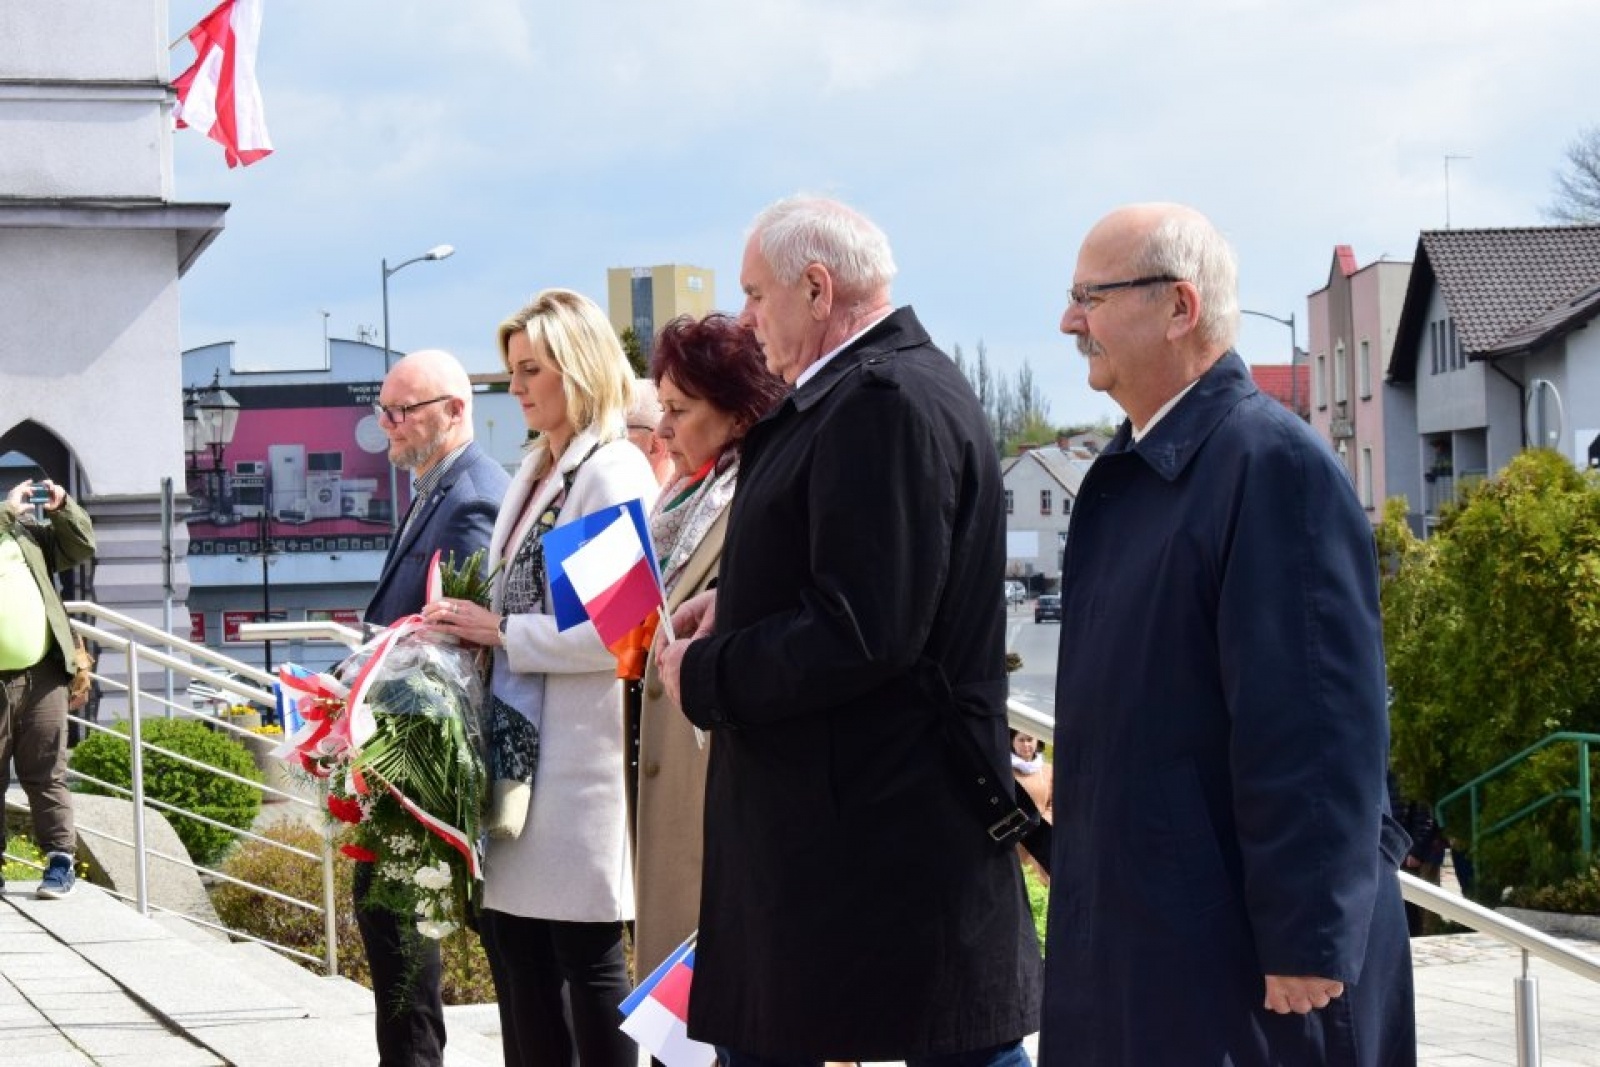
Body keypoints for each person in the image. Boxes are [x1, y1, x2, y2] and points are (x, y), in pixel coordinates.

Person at [656, 196, 1041, 1065]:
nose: (746, 318)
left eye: (756, 293)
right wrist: (737, 602)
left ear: (817, 288)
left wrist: (708, 673)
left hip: (874, 833)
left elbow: (865, 627)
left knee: (956, 1043)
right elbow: (852, 577)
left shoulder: (881, 399)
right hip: (855, 831)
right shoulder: (861, 393)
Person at [1041, 202, 1415, 1066]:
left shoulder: (1269, 465)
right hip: (1151, 941)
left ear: (1180, 306)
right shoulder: (1137, 469)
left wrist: (1308, 933)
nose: (1069, 321)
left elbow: (1314, 718)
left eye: (1091, 297)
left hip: (1242, 967)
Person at [426, 288, 658, 1067]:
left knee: (585, 964)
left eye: (532, 369)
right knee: (521, 963)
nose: (516, 385)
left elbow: (620, 633)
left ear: (579, 368)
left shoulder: (608, 471)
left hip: (576, 768)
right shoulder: (538, 468)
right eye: (513, 369)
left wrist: (499, 632)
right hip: (522, 763)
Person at [359, 348, 510, 1067]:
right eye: (383, 409)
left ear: (454, 410)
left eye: (402, 410)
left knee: (400, 929)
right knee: (387, 926)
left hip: (426, 762)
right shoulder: (434, 485)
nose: (386, 423)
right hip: (399, 749)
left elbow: (457, 641)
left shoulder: (473, 494)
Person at [629, 313, 786, 979]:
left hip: (717, 798)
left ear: (739, 414)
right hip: (670, 786)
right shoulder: (678, 498)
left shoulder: (756, 496)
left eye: (679, 410)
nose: (661, 430)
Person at [1, 478, 94, 899]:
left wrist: (62, 508)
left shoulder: (27, 536)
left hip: (42, 674)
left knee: (47, 773)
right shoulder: (7, 520)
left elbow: (81, 547)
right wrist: (7, 510)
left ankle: (60, 861)